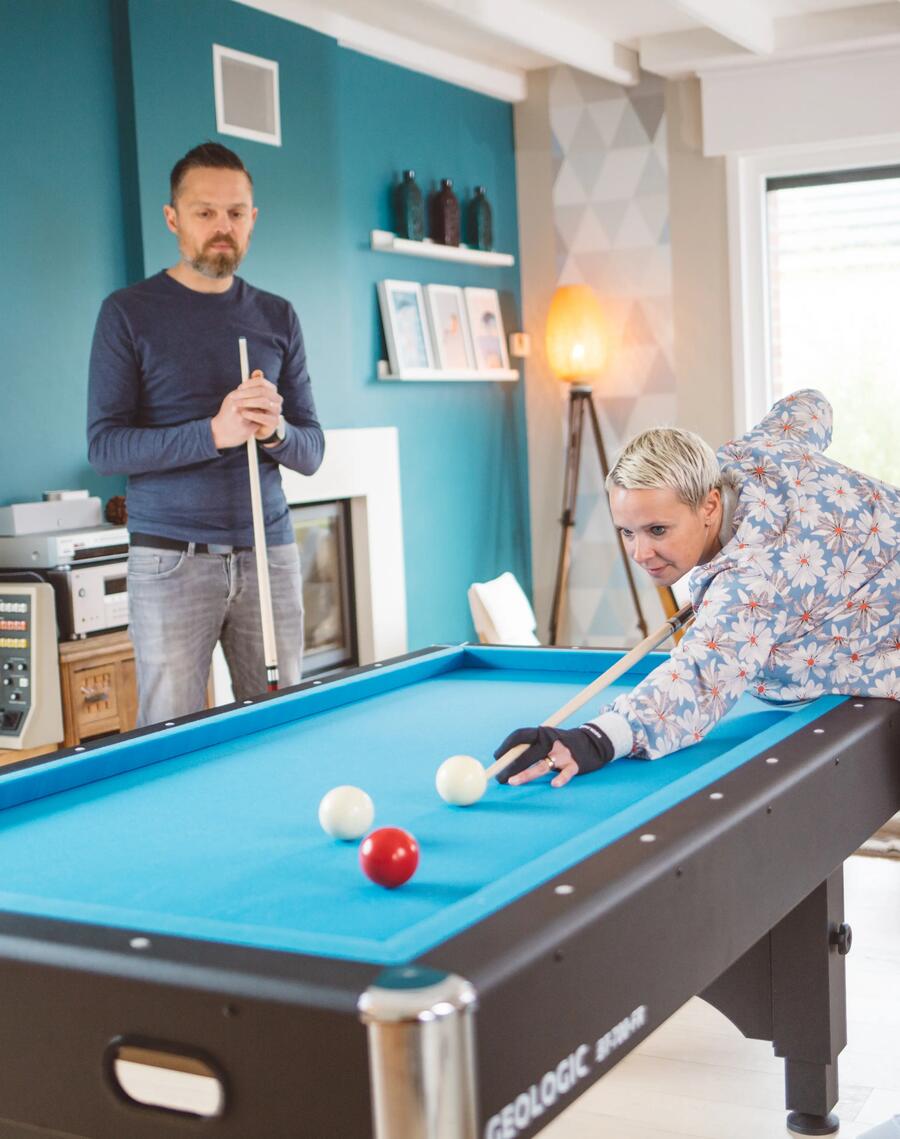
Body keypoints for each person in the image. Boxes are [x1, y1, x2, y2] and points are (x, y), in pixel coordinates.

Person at [495, 389, 899, 786]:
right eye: (626, 532)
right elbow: (811, 406)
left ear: (709, 505)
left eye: (657, 530)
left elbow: (699, 681)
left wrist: (595, 740)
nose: (640, 552)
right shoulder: (752, 454)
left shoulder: (752, 583)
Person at [87, 142, 324, 727]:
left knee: (279, 728)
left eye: (236, 213)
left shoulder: (277, 315)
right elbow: (105, 446)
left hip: (268, 554)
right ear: (173, 218)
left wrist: (274, 432)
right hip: (171, 561)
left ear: (253, 219)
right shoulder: (127, 312)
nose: (223, 228)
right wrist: (213, 433)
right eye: (205, 212)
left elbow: (312, 450)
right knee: (170, 738)